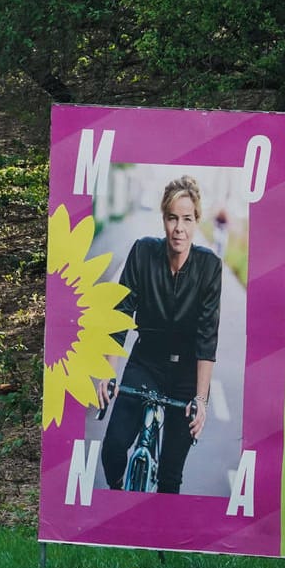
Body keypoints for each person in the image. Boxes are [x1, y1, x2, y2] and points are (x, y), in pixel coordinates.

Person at [98, 176, 223, 493]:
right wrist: (108, 374)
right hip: (146, 364)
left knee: (170, 478)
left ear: (196, 222)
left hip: (184, 374)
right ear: (163, 219)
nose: (179, 228)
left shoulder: (209, 267)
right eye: (172, 218)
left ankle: (160, 544)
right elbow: (121, 313)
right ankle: (121, 497)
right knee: (112, 451)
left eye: (187, 219)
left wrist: (201, 399)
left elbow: (207, 337)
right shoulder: (142, 253)